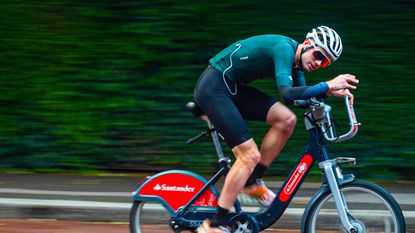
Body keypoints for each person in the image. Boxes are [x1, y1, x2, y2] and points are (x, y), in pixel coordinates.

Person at [194, 26, 359, 233]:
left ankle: (251, 183)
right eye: (318, 55)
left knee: (286, 120)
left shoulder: (297, 65)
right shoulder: (284, 48)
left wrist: (329, 92)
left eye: (325, 62)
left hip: (231, 88)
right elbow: (287, 94)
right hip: (214, 88)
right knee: (249, 155)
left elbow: (299, 99)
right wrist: (327, 85)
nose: (318, 63)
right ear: (307, 44)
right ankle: (215, 224)